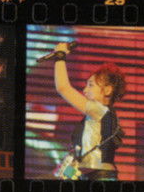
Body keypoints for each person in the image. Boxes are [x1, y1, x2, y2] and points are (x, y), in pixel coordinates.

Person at [52, 42, 126, 180]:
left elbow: (63, 88)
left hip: (101, 176)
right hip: (89, 174)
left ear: (108, 90)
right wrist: (66, 173)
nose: (85, 90)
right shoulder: (94, 118)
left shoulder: (100, 110)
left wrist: (60, 56)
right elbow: (81, 160)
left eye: (90, 85)